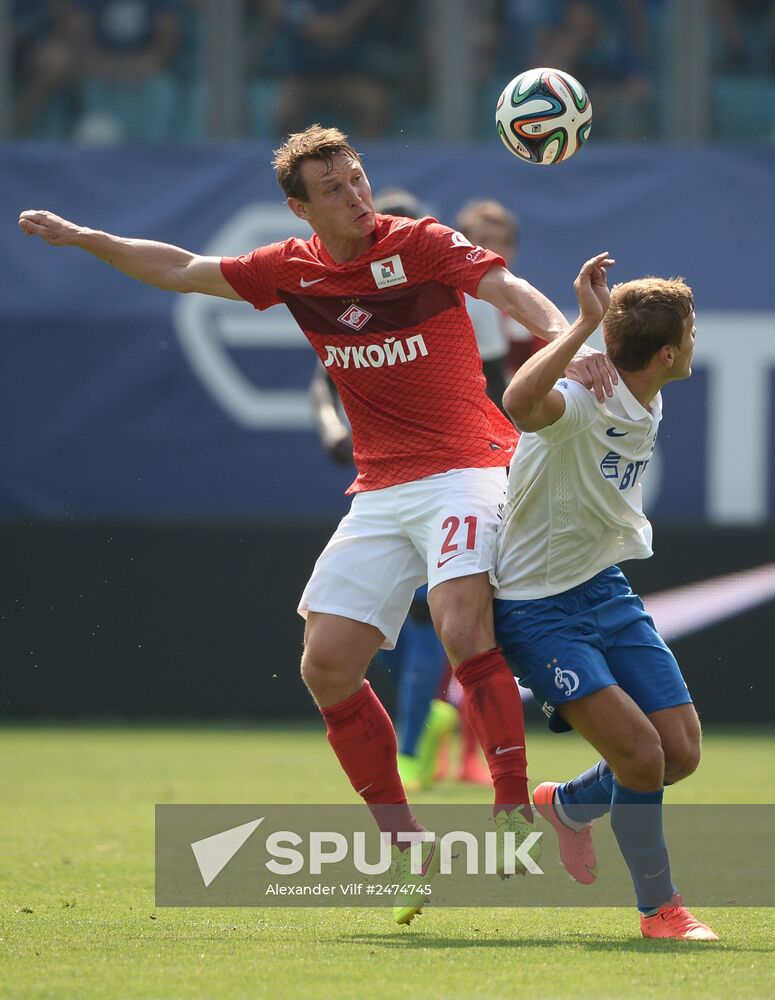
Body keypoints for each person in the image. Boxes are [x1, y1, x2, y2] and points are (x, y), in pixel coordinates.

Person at [19, 124, 609, 925]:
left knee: (459, 620)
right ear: (300, 209)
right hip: (380, 490)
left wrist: (567, 340)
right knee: (325, 667)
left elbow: (510, 291)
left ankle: (510, 811)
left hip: (468, 468)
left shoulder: (425, 244)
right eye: (333, 190)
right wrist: (85, 237)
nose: (355, 195)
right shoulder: (289, 269)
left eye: (358, 179)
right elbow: (183, 270)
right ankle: (406, 853)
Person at [493, 256, 718, 941]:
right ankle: (659, 909)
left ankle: (565, 807)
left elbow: (615, 359)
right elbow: (519, 406)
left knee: (678, 752)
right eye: (692, 330)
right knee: (641, 756)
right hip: (537, 607)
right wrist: (585, 327)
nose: (696, 340)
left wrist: (591, 340)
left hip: (602, 586)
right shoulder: (580, 402)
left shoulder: (640, 385)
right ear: (671, 351)